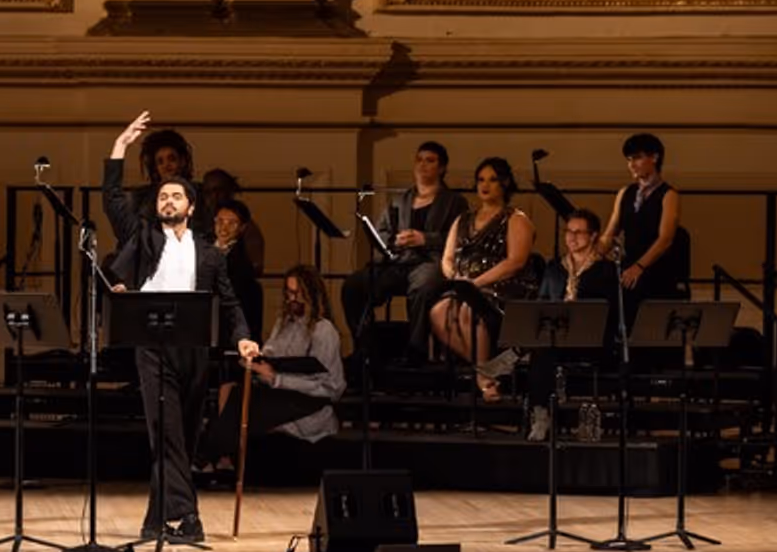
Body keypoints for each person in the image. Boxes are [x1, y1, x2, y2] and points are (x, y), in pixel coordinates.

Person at [103, 111, 259, 544]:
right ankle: (189, 517)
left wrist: (243, 336)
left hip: (195, 350)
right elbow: (114, 200)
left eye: (176, 196)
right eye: (162, 197)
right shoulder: (144, 238)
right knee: (167, 430)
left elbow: (229, 302)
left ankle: (156, 519)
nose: (168, 200)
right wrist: (120, 148)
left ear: (191, 206)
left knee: (183, 437)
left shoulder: (210, 253)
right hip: (153, 347)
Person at [195, 264, 346, 473]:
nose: (291, 298)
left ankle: (205, 457)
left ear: (311, 294)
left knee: (243, 401)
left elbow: (332, 387)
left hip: (307, 399)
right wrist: (255, 361)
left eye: (296, 293)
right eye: (288, 292)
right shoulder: (284, 322)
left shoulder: (324, 331)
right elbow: (271, 354)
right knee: (229, 388)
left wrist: (276, 378)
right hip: (279, 390)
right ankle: (219, 457)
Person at [341, 141, 467, 356]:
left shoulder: (454, 202)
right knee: (354, 285)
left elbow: (461, 237)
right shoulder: (400, 200)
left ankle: (415, 350)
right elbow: (382, 231)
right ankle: (367, 347)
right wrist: (393, 241)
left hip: (431, 262)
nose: (423, 165)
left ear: (442, 168)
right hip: (398, 262)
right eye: (419, 160)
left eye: (430, 161)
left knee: (422, 286)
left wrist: (425, 239)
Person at [428, 157, 538, 402]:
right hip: (464, 285)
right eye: (480, 180)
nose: (484, 185)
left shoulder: (515, 219)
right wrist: (457, 279)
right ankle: (487, 370)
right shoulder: (463, 219)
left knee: (468, 310)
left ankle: (483, 377)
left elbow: (515, 262)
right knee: (439, 312)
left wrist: (475, 284)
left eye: (492, 180)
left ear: (505, 184)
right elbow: (447, 259)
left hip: (501, 289)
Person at [526, 208, 618, 440]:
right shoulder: (554, 268)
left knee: (542, 350)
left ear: (594, 236)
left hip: (592, 339)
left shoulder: (606, 270)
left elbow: (611, 313)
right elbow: (542, 305)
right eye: (568, 231)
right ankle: (541, 414)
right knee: (541, 350)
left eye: (579, 232)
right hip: (558, 338)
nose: (572, 237)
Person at [597, 133, 686, 313]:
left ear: (654, 157)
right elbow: (609, 234)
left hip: (656, 267)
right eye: (629, 159)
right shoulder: (625, 192)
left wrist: (639, 267)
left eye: (637, 158)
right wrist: (592, 257)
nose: (631, 165)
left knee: (629, 290)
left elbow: (665, 239)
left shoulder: (669, 195)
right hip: (630, 263)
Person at [213, 198, 264, 341]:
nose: (224, 228)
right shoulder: (202, 246)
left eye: (232, 223)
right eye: (220, 221)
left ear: (242, 228)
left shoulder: (241, 262)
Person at [201, 168, 266, 268]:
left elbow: (256, 267)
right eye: (208, 192)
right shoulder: (200, 225)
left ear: (229, 192)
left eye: (218, 190)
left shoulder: (246, 228)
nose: (214, 196)